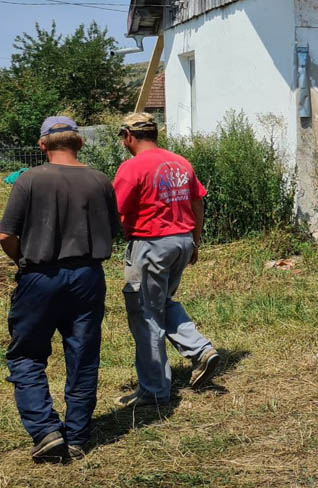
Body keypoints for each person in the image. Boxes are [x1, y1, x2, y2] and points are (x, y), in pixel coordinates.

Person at [0, 117, 120, 462]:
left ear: (42, 146)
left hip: (39, 276)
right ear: (80, 144)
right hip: (88, 275)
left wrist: (23, 260)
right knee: (82, 357)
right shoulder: (100, 180)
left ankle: (46, 430)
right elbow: (113, 230)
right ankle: (79, 437)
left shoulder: (29, 180)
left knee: (27, 356)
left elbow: (6, 235)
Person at [112, 113, 219, 407]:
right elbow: (197, 202)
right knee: (161, 303)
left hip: (150, 244)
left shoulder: (132, 167)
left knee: (145, 313)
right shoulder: (180, 162)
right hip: (182, 241)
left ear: (129, 136)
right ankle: (200, 350)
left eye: (123, 138)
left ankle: (154, 390)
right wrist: (195, 240)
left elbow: (115, 211)